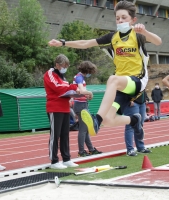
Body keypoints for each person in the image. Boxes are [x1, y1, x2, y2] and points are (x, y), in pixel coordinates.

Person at [48, 1, 162, 141]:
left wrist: (144, 31)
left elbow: (158, 42)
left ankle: (97, 120)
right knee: (109, 119)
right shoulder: (112, 37)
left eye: (124, 17)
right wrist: (63, 43)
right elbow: (86, 43)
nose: (120, 20)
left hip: (137, 80)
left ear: (133, 20)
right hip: (122, 85)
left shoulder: (137, 35)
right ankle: (134, 120)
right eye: (117, 18)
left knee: (112, 79)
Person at [43, 54, 80, 169]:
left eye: (66, 66)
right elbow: (57, 88)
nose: (65, 68)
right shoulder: (50, 74)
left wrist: (73, 94)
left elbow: (65, 88)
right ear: (57, 65)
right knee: (55, 134)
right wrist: (73, 87)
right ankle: (54, 160)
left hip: (65, 107)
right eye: (63, 66)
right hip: (54, 107)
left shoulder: (62, 76)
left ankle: (66, 158)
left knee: (65, 134)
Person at [72, 61, 102, 157]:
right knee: (83, 129)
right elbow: (81, 90)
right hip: (80, 105)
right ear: (87, 70)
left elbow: (81, 92)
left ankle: (91, 149)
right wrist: (90, 93)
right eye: (90, 71)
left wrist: (86, 96)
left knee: (86, 128)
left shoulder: (80, 77)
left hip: (82, 104)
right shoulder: (79, 77)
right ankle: (81, 151)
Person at [124, 91, 151, 156]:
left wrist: (146, 98)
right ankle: (130, 150)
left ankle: (141, 147)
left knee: (139, 126)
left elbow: (142, 87)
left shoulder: (142, 80)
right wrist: (128, 99)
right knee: (130, 126)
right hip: (132, 102)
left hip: (142, 103)